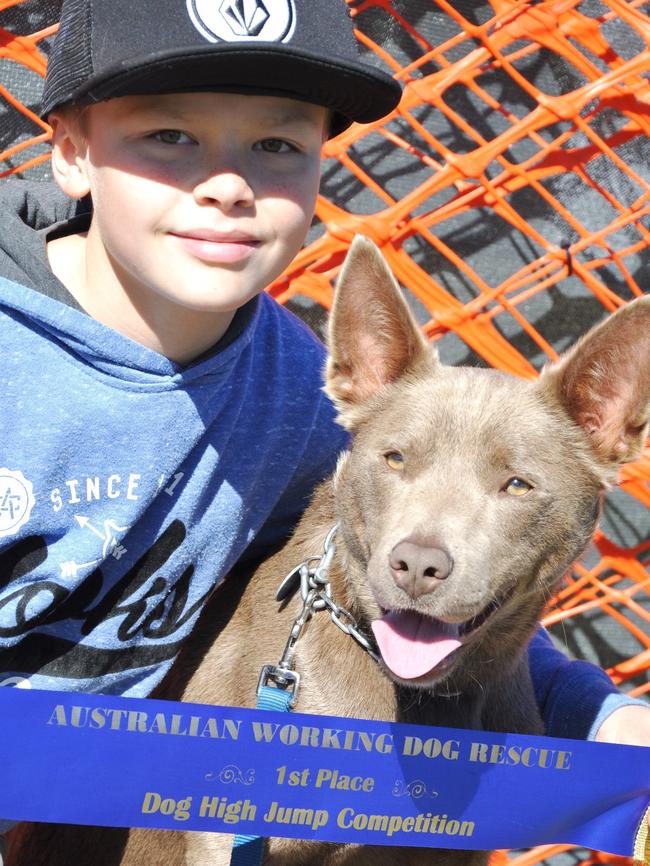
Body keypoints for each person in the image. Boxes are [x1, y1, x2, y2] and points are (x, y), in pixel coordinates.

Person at [0, 0, 647, 853]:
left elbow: (432, 604)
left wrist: (603, 719)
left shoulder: (292, 395)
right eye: (168, 135)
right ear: (72, 151)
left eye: (277, 145)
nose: (227, 182)